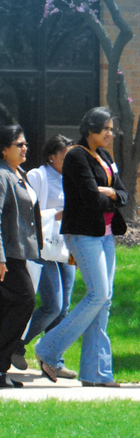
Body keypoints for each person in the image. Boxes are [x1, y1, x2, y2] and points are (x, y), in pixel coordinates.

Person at [36, 108, 127, 387]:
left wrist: (110, 192)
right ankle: (47, 349)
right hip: (84, 234)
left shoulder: (106, 157)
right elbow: (90, 198)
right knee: (97, 295)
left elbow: (124, 194)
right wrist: (110, 196)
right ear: (91, 129)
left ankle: (96, 374)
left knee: (104, 300)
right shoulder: (76, 156)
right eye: (106, 129)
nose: (111, 134)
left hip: (106, 234)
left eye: (111, 129)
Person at [14, 135, 78, 378]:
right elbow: (27, 211)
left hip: (68, 247)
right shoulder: (37, 176)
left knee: (64, 309)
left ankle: (52, 359)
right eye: (65, 156)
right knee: (53, 305)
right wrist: (58, 214)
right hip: (43, 248)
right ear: (52, 156)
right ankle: (16, 344)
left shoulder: (73, 178)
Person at [0, 125, 42, 389]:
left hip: (17, 253)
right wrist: (0, 257)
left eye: (25, 143)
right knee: (25, 300)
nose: (25, 148)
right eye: (19, 144)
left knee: (7, 308)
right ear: (4, 149)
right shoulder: (2, 175)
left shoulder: (19, 173)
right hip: (7, 256)